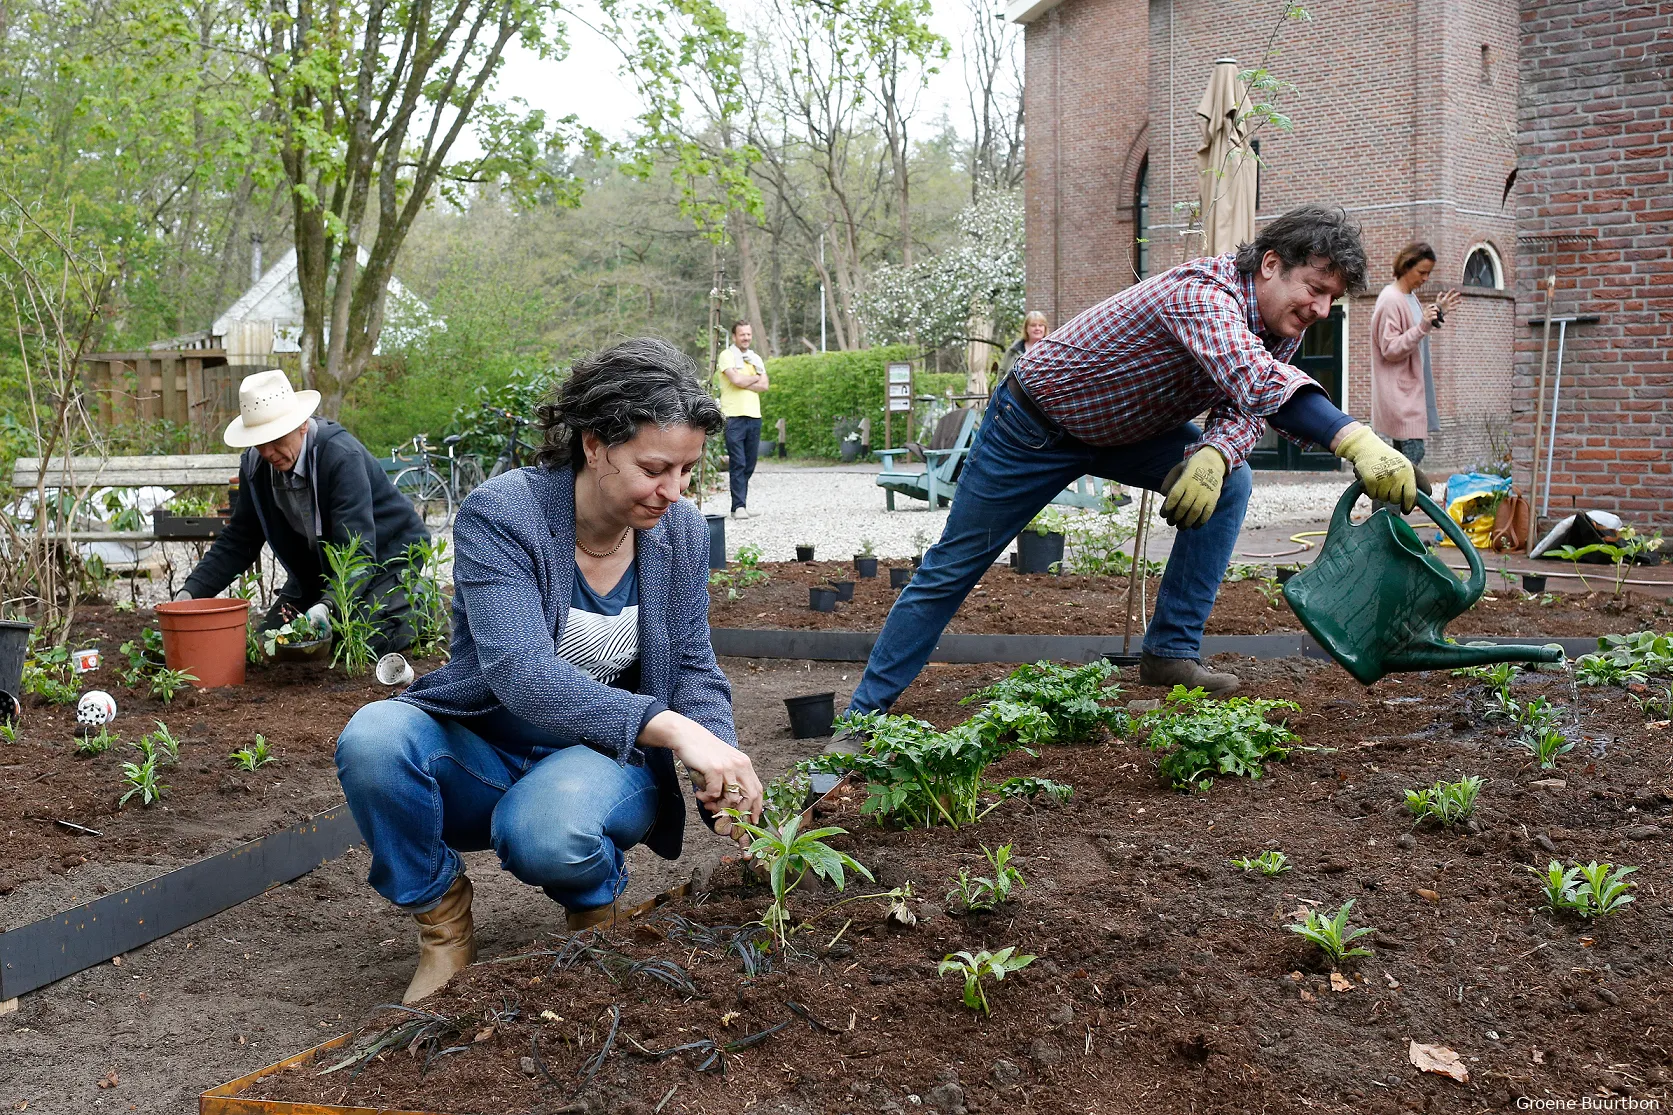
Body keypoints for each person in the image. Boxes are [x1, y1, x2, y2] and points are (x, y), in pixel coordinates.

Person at [846, 205, 1422, 714]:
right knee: (954, 566)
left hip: (1127, 432)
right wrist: (1355, 440)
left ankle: (1170, 652)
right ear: (1270, 264)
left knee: (1233, 482)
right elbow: (1258, 379)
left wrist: (1217, 453)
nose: (1322, 309)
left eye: (1332, 299)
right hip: (1031, 428)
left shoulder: (1277, 324)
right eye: (1315, 289)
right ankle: (863, 714)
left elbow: (1246, 402)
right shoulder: (1202, 294)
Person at [335, 338, 763, 1005]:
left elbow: (691, 668)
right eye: (655, 468)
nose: (673, 491)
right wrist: (670, 726)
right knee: (374, 738)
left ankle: (597, 916)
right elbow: (521, 673)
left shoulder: (676, 532)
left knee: (545, 830)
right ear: (594, 443)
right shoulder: (505, 515)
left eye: (687, 470)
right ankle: (441, 919)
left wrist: (720, 778)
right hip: (487, 743)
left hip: (601, 759)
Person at [175, 368, 428, 654]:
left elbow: (357, 553)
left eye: (276, 439)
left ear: (302, 425)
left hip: (387, 558)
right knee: (272, 644)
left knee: (353, 644)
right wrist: (191, 592)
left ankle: (419, 602)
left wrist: (328, 605)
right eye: (260, 441)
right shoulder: (255, 466)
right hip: (320, 572)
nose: (268, 451)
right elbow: (239, 539)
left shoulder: (341, 457)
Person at [1371, 242, 1460, 489]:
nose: (1426, 278)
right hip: (1400, 396)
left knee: (1400, 462)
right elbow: (1389, 348)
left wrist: (1435, 314)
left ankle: (1384, 516)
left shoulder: (1409, 297)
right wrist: (1422, 326)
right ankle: (1384, 513)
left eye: (1429, 272)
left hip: (1409, 393)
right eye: (1422, 272)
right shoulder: (1391, 300)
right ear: (1406, 266)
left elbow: (1414, 333)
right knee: (1410, 457)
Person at [715, 320, 769, 519]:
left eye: (748, 334)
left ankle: (740, 504)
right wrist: (754, 378)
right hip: (734, 416)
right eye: (742, 334)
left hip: (754, 416)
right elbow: (736, 380)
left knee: (750, 464)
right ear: (735, 336)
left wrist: (748, 380)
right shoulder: (727, 356)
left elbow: (765, 385)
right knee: (738, 462)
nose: (746, 338)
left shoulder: (755, 358)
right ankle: (739, 507)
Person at [999, 310, 1050, 378]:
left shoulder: (1051, 349)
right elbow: (1002, 372)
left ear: (1045, 328)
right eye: (1033, 325)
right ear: (1026, 328)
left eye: (1040, 325)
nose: (1037, 328)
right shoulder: (1013, 350)